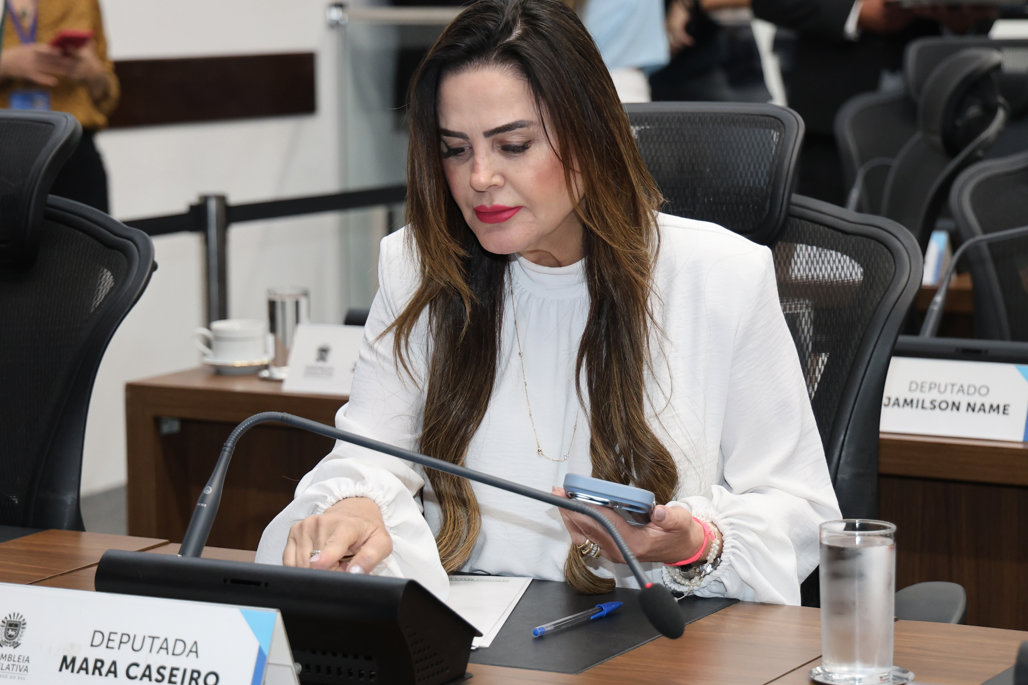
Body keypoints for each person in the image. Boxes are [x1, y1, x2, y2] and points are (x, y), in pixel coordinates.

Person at [256, 0, 840, 606]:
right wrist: (354, 505)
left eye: (513, 145)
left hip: (659, 635)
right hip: (468, 634)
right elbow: (369, 454)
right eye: (456, 149)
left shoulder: (719, 276)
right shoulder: (419, 266)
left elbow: (798, 510)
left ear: (590, 136)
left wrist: (693, 544)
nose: (479, 177)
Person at [751, 0, 993, 205]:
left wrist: (961, 21)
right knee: (825, 229)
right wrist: (854, 12)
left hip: (937, 108)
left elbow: (987, 15)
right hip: (831, 115)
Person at [0, 0, 119, 212]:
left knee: (85, 233)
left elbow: (108, 95)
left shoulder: (81, 3)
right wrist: (5, 65)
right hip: (6, 151)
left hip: (74, 151)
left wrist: (92, 72)